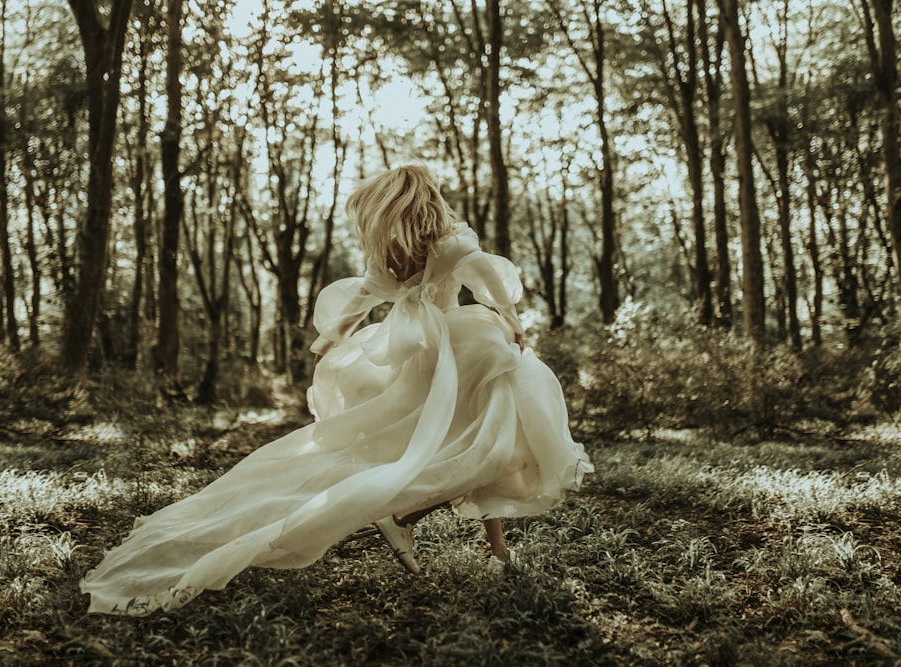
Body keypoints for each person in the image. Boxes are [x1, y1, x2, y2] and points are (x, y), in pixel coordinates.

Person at [80, 164, 593, 615]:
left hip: (417, 359)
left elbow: (361, 302)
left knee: (481, 444)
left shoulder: (392, 257)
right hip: (460, 351)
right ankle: (404, 514)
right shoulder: (452, 242)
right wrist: (512, 320)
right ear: (427, 200)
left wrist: (328, 342)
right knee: (487, 444)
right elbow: (487, 279)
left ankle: (494, 550)